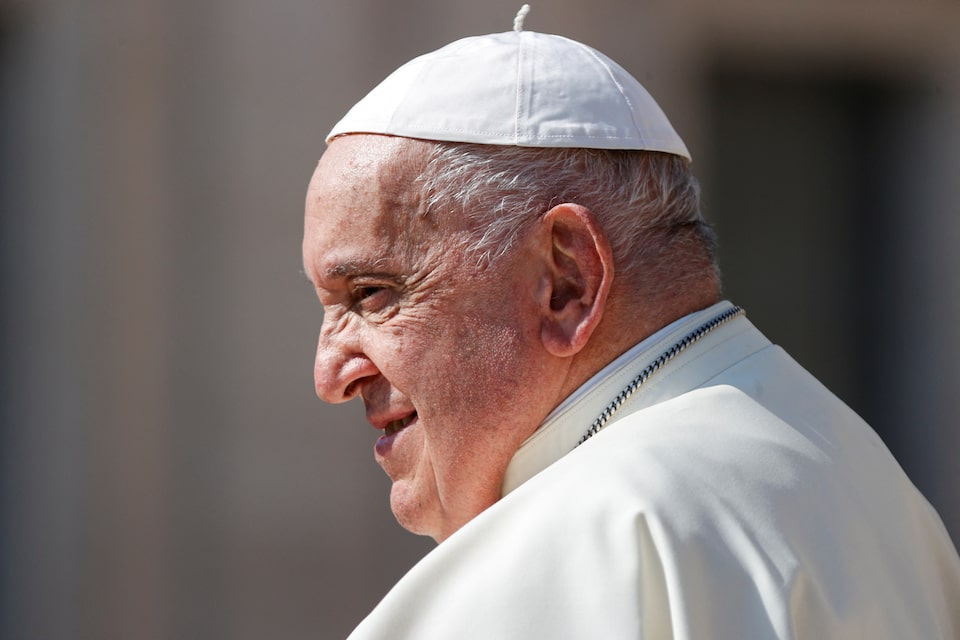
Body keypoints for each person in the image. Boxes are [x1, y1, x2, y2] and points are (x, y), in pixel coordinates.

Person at [302, 7, 960, 639]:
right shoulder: (865, 476)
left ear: (565, 281)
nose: (329, 376)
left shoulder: (580, 542)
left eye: (371, 293)